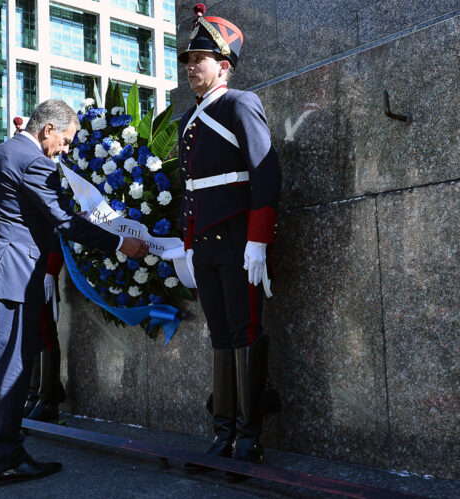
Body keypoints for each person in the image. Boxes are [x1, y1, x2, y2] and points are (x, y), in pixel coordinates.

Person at [0, 99, 147, 486]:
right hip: (10, 278)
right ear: (47, 130)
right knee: (9, 370)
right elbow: (63, 220)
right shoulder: (33, 160)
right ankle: (7, 457)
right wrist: (119, 243)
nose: (64, 149)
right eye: (64, 140)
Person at [176, 4, 282, 479]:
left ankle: (250, 437)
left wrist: (258, 241)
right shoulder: (186, 121)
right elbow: (189, 191)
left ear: (224, 64)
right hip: (206, 244)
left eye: (199, 57)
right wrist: (187, 244)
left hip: (240, 240)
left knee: (243, 332)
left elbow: (266, 172)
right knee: (219, 335)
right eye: (187, 58)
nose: (190, 65)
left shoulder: (239, 104)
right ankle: (222, 432)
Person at [23, 243, 66, 422]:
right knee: (33, 335)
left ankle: (46, 400)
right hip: (28, 270)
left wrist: (51, 270)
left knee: (45, 334)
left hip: (43, 268)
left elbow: (55, 231)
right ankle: (34, 396)